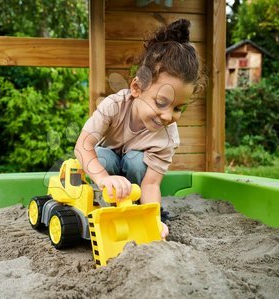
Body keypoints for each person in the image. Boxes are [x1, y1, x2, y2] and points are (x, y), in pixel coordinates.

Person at [74, 19, 203, 238]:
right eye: (161, 103)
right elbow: (82, 146)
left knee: (136, 160)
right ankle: (106, 205)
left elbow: (151, 184)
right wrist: (105, 179)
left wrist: (153, 219)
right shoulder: (114, 105)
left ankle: (134, 209)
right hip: (107, 173)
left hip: (135, 185)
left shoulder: (167, 137)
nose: (167, 116)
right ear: (136, 88)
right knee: (102, 157)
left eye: (178, 108)